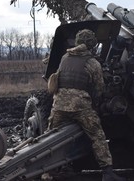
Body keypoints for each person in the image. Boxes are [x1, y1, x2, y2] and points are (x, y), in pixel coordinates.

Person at [47, 29, 125, 181]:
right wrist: (96, 105)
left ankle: (47, 170)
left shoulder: (65, 57)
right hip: (81, 107)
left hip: (59, 105)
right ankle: (107, 172)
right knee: (97, 136)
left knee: (50, 138)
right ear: (92, 45)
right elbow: (99, 89)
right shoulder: (93, 63)